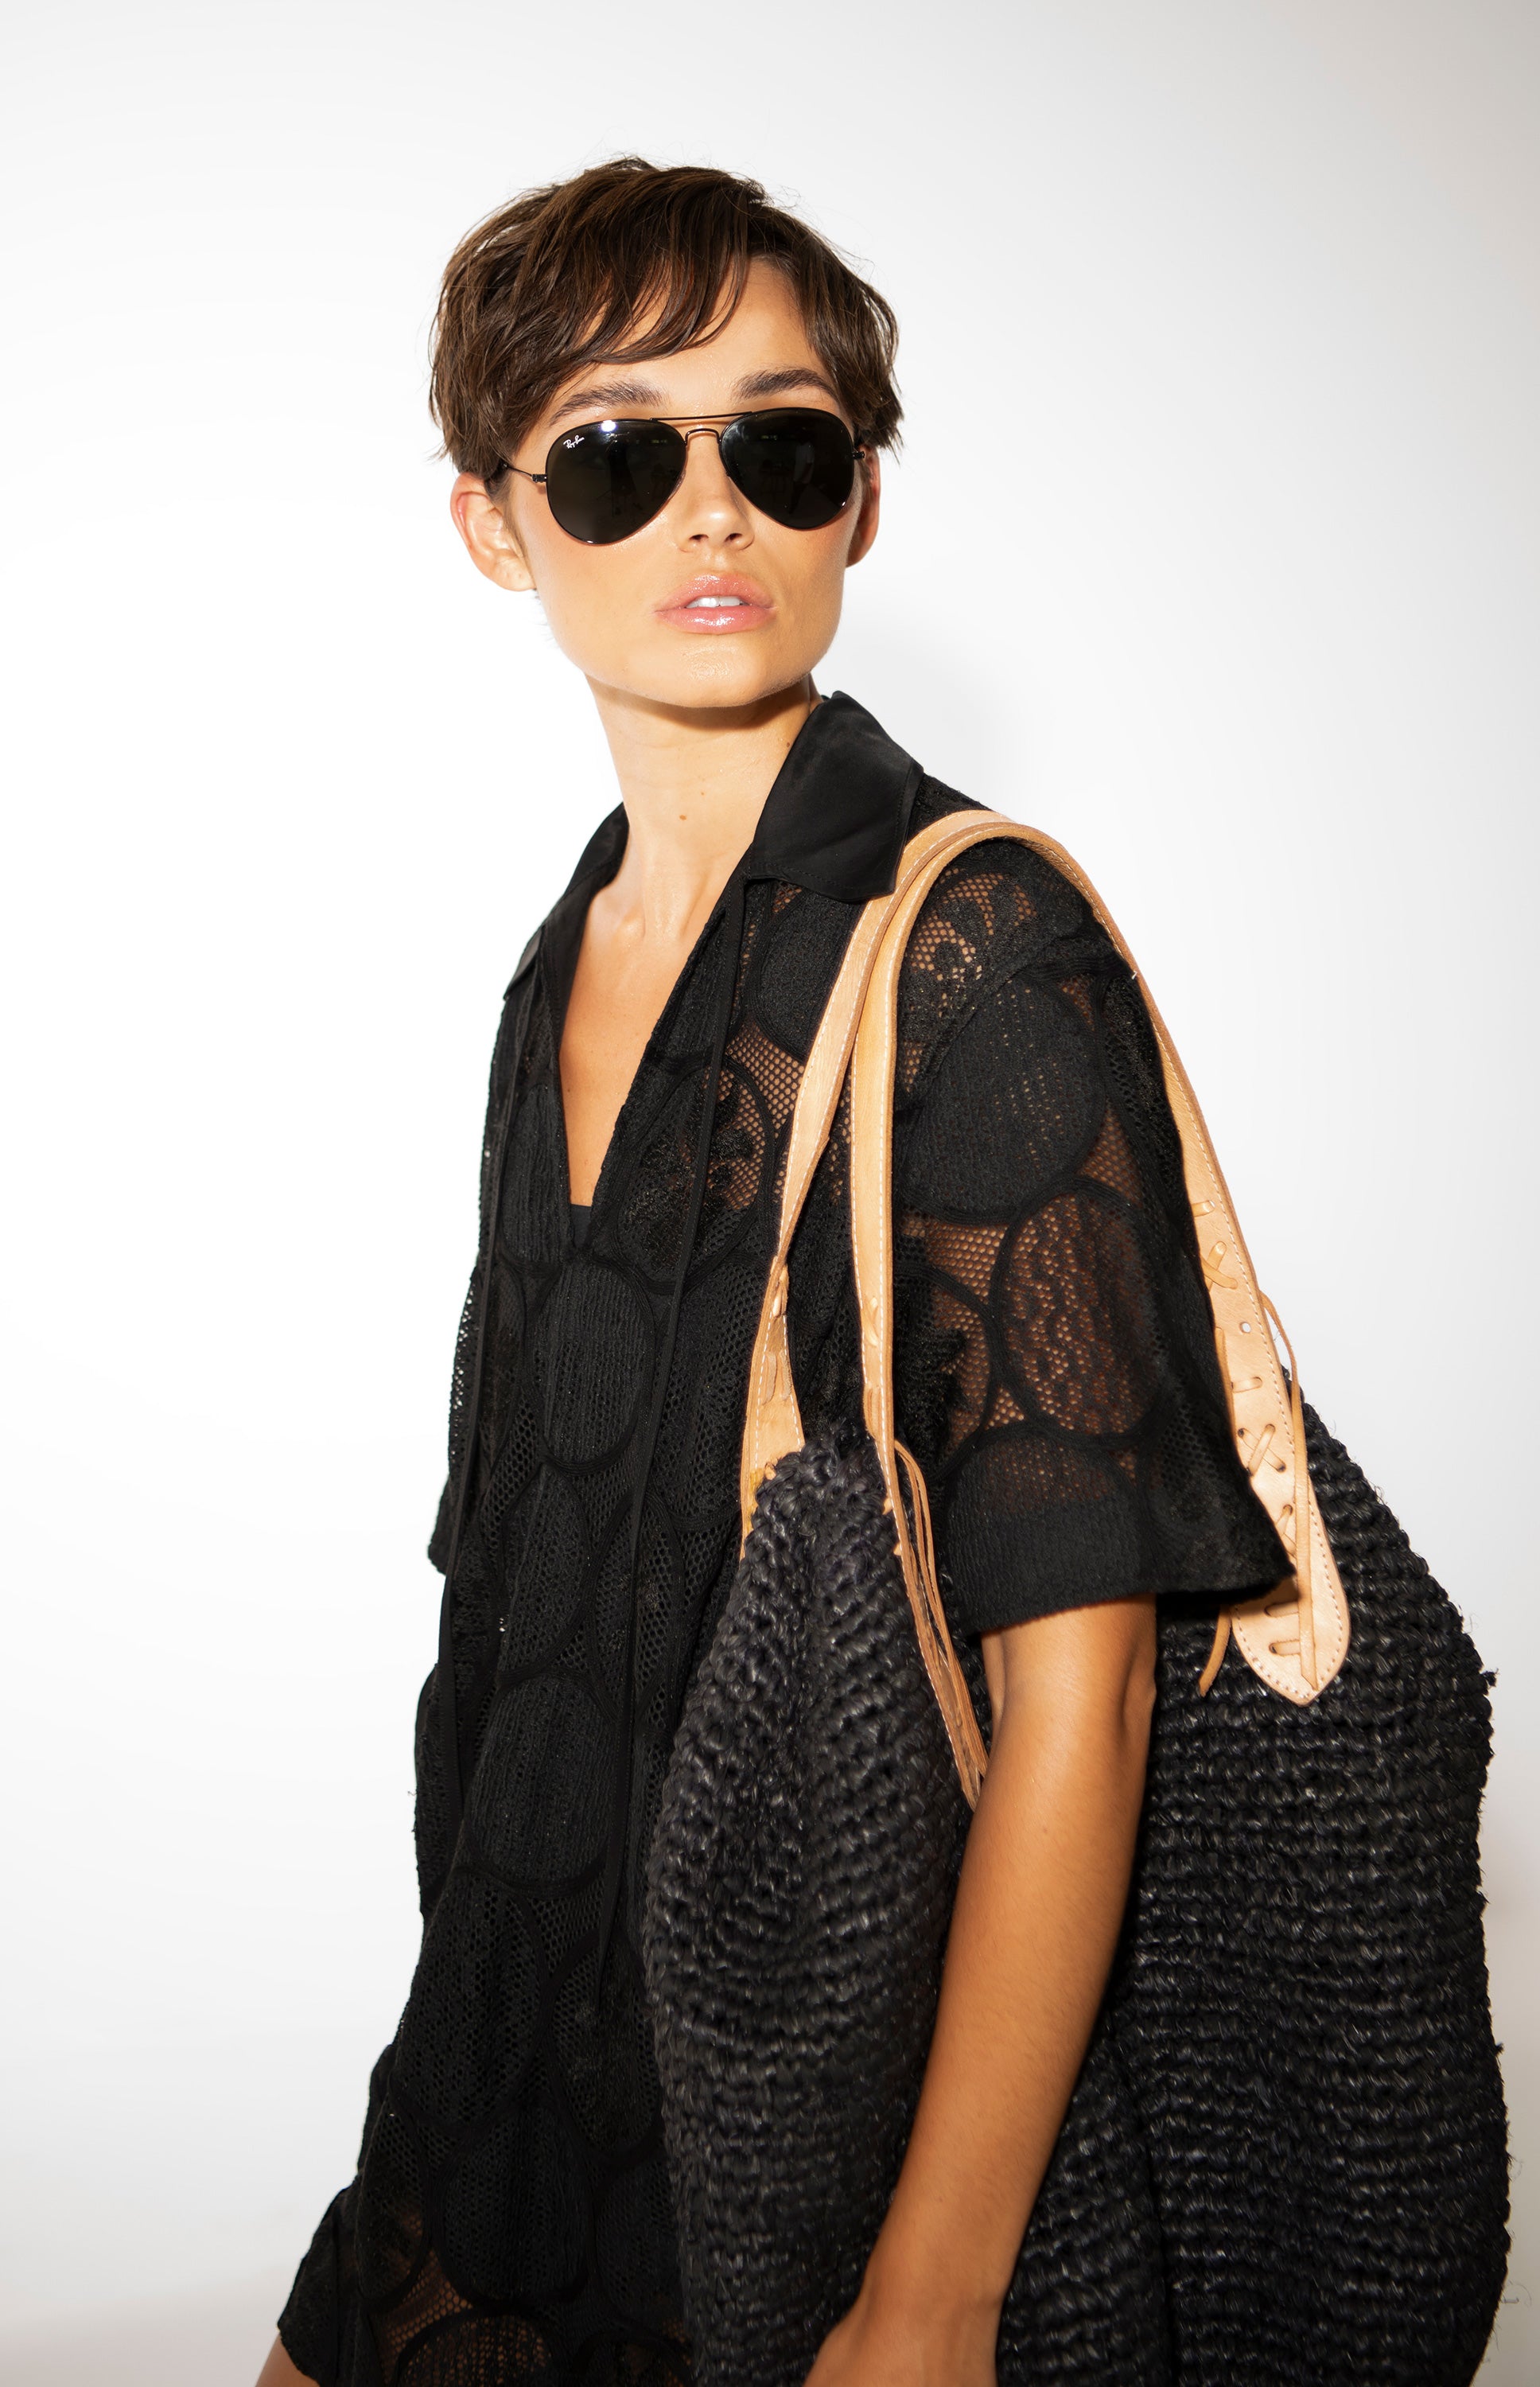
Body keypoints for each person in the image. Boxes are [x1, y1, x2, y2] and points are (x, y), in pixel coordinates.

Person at [259, 158, 1285, 2387]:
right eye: (616, 455)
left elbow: (1085, 1689)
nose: (712, 509)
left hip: (806, 2149)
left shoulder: (975, 951)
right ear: (494, 525)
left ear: (862, 504)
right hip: (493, 2097)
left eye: (783, 446)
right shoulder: (562, 962)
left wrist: (933, 2298)